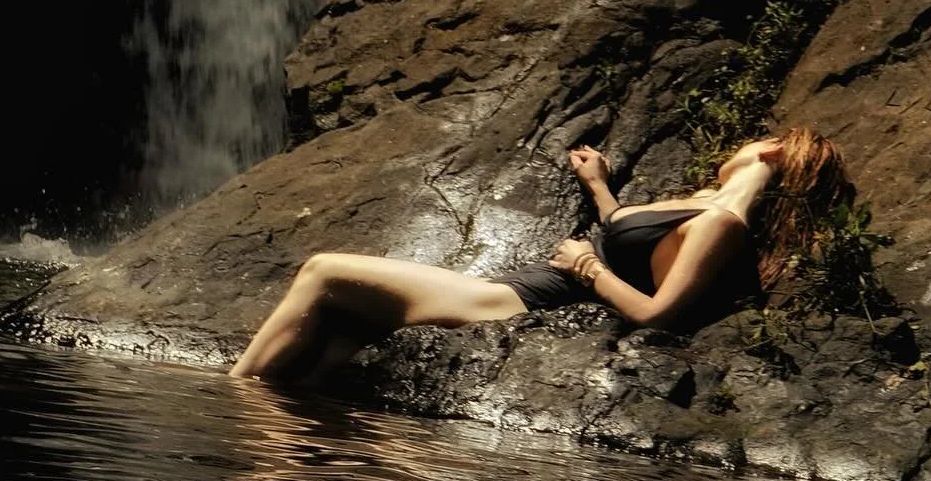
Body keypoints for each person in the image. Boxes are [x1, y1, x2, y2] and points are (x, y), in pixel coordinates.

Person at [228, 126, 852, 383]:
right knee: (331, 339)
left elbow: (661, 313)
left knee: (324, 271)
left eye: (755, 137)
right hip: (516, 289)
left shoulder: (723, 224)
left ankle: (233, 399)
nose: (741, 142)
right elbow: (632, 243)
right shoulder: (706, 208)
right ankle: (274, 460)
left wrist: (586, 267)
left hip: (512, 302)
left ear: (771, 153)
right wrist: (600, 187)